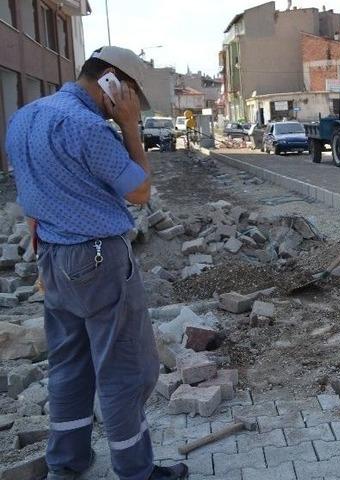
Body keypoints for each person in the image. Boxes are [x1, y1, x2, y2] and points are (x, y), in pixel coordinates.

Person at [5, 46, 187, 480]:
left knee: (69, 363)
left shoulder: (25, 117)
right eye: (129, 96)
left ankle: (66, 464)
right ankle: (135, 470)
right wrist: (129, 128)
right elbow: (139, 191)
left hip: (51, 254)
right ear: (111, 81)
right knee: (125, 367)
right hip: (97, 258)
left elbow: (31, 190)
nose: (128, 107)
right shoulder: (88, 126)